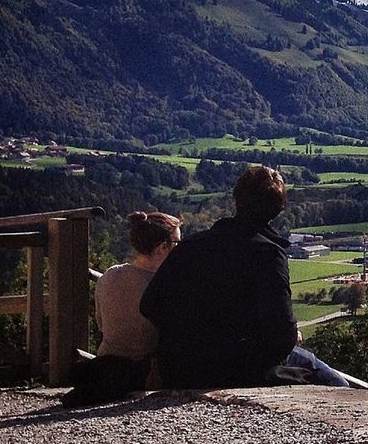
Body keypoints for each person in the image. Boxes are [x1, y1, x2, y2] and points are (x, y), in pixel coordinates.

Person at [139, 165, 348, 389]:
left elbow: (149, 305)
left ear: (237, 199)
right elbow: (283, 337)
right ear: (279, 209)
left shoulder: (190, 246)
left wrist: (188, 337)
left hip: (181, 368)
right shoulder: (268, 254)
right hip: (239, 370)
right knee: (338, 385)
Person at [62, 211, 180, 407]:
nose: (180, 248)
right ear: (162, 247)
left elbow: (101, 323)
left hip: (104, 362)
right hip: (144, 371)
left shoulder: (110, 275)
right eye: (176, 243)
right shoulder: (164, 285)